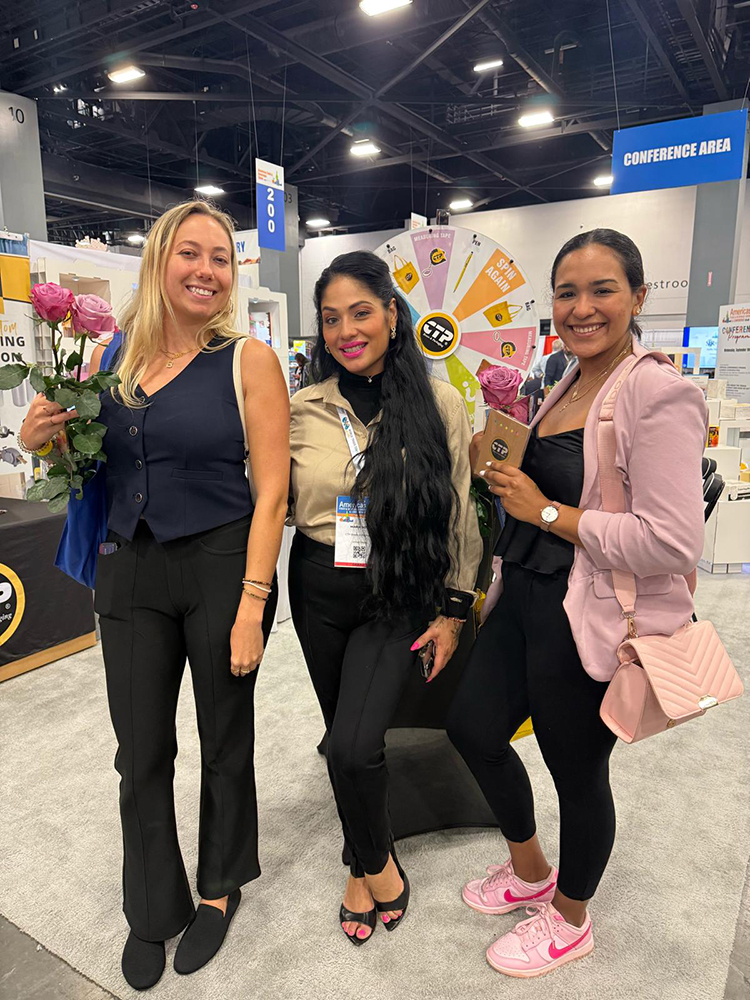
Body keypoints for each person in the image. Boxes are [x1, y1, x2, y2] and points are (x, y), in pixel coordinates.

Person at [19, 200, 290, 989]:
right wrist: (39, 443)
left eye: (220, 258)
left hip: (221, 567)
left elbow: (272, 492)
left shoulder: (247, 361)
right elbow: (90, 463)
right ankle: (150, 905)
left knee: (224, 736)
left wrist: (252, 604)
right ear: (159, 261)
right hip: (129, 569)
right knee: (139, 751)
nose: (206, 270)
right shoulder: (112, 357)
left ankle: (220, 886)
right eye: (189, 253)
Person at [447, 228, 706, 978]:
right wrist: (500, 472)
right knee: (472, 727)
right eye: (567, 293)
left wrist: (547, 512)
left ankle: (570, 918)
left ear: (638, 297)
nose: (581, 307)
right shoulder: (563, 380)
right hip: (524, 594)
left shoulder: (659, 392)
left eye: (602, 290)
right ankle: (531, 870)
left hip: (587, 611)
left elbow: (671, 541)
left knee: (575, 770)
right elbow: (549, 486)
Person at [289, 250, 482, 945]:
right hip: (316, 585)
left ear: (392, 316)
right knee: (341, 729)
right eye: (331, 318)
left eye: (361, 312)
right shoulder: (303, 407)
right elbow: (268, 498)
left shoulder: (439, 404)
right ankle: (362, 861)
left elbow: (459, 510)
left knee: (352, 746)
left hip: (396, 589)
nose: (346, 330)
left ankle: (374, 863)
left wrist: (454, 610)